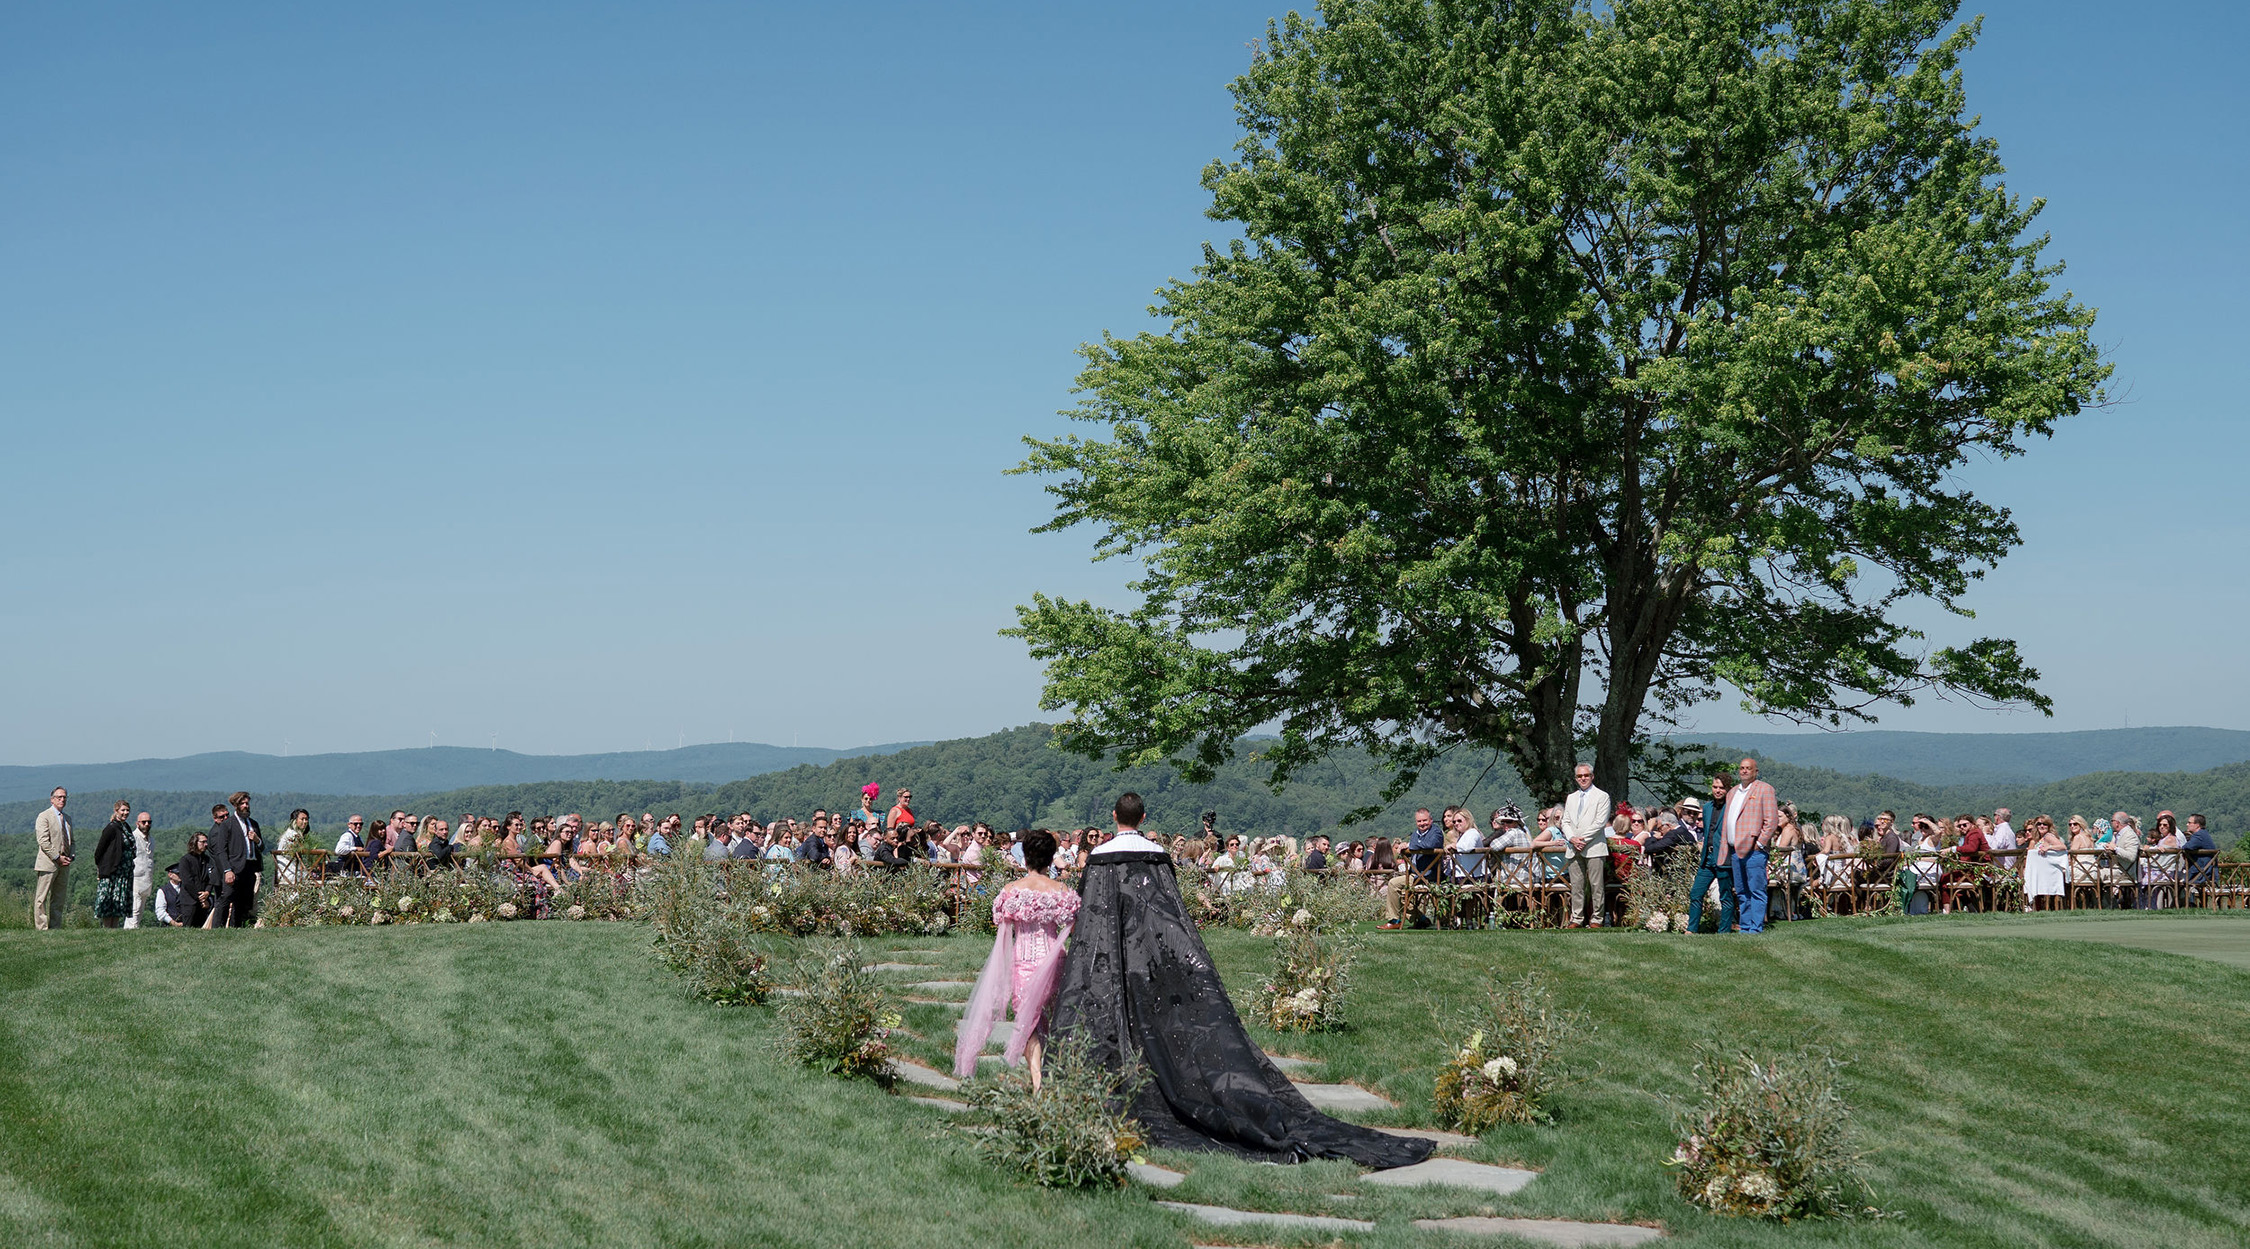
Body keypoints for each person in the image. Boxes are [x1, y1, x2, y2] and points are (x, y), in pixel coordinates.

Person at [1046, 793, 1432, 1169]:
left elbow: (1094, 918)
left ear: (1115, 816)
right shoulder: (1157, 856)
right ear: (1144, 818)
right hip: (1153, 958)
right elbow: (1168, 914)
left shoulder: (1099, 858)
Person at [956, 829, 1080, 1088]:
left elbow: (1002, 924)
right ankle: (1046, 1076)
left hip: (1023, 963)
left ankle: (1037, 1077)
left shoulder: (1012, 890)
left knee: (1027, 1022)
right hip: (1054, 960)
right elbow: (1074, 927)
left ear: (1025, 857)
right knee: (1051, 1018)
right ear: (1050, 858)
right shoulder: (1061, 890)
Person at [1717, 758, 1779, 933]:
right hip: (1735, 850)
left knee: (1756, 890)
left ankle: (1755, 928)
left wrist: (1760, 843)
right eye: (1742, 768)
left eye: (1748, 768)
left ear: (1755, 771)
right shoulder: (1733, 792)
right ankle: (1745, 927)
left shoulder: (1765, 789)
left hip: (1754, 851)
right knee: (1742, 892)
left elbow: (1771, 820)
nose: (1744, 771)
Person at [1559, 763, 1611, 928]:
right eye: (1580, 776)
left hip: (1594, 846)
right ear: (1576, 778)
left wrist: (1582, 839)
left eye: (1586, 775)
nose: (1583, 778)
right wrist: (1572, 838)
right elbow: (1565, 821)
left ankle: (1597, 919)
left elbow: (1600, 822)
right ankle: (1577, 918)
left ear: (1592, 776)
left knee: (1596, 885)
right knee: (1576, 885)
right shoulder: (1571, 798)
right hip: (1574, 847)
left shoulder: (1602, 796)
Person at [1378, 808, 1444, 929]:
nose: (1422, 823)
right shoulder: (1416, 833)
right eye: (1419, 821)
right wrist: (1404, 848)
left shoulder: (1436, 832)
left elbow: (1429, 845)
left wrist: (1409, 845)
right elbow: (1416, 845)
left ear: (1431, 820)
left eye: (1425, 820)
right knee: (1399, 891)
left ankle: (1395, 920)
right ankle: (1421, 919)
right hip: (1416, 875)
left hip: (1429, 875)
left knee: (1393, 884)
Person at [1687, 778, 1735, 934]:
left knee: (1725, 896)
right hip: (1707, 857)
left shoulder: (1732, 807)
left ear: (1728, 789)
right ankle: (1692, 929)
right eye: (1715, 787)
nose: (1718, 790)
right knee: (1696, 893)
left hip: (1724, 856)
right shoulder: (1707, 808)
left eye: (1721, 787)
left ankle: (1724, 931)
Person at [32, 787, 73, 930]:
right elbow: (43, 841)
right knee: (41, 898)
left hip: (64, 864)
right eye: (59, 797)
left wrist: (70, 856)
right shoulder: (44, 816)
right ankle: (42, 928)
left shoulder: (67, 818)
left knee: (59, 898)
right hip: (48, 863)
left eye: (64, 797)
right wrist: (57, 857)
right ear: (52, 799)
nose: (62, 799)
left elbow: (71, 841)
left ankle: (55, 927)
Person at [93, 800, 137, 928]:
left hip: (125, 872)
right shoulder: (111, 828)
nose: (125, 813)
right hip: (113, 872)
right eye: (122, 810)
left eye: (127, 810)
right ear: (116, 811)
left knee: (119, 902)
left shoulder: (126, 827)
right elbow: (99, 850)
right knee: (110, 901)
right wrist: (101, 868)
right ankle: (108, 928)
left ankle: (115, 928)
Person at [2023, 815, 2068, 909]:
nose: (2042, 826)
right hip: (2041, 871)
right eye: (2039, 824)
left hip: (2047, 873)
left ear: (2049, 826)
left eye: (2044, 824)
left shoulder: (2048, 836)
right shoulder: (2039, 838)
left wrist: (2049, 847)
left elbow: (2063, 847)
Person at [175, 832, 217, 928]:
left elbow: (212, 877)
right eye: (203, 842)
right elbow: (187, 882)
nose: (206, 844)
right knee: (189, 928)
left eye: (206, 842)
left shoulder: (207, 860)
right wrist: (200, 898)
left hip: (204, 900)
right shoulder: (185, 860)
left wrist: (207, 892)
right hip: (189, 901)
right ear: (195, 843)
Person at [125, 810, 156, 928]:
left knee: (141, 910)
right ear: (137, 823)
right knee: (135, 909)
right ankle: (130, 931)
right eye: (144, 822)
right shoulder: (133, 837)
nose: (147, 824)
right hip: (135, 878)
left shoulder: (152, 840)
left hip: (146, 879)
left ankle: (134, 929)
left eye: (149, 822)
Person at [274, 808, 314, 886]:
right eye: (302, 819)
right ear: (295, 820)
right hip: (289, 872)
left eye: (306, 819)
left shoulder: (298, 835)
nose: (305, 822)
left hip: (296, 871)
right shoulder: (291, 835)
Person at [151, 862, 190, 927]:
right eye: (178, 874)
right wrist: (173, 923)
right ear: (170, 874)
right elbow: (160, 911)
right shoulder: (162, 891)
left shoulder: (186, 889)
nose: (181, 875)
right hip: (168, 925)